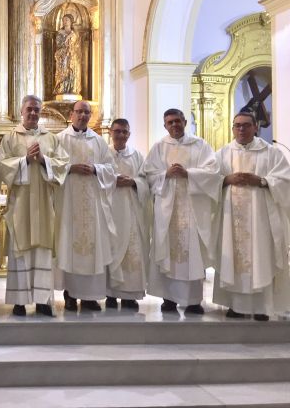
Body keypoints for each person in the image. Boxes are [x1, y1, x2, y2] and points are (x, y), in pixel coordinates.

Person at [143, 108, 222, 314]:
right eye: (170, 122)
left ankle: (194, 301)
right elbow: (148, 176)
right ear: (164, 125)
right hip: (167, 209)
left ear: (185, 122)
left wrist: (189, 174)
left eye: (178, 121)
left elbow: (213, 172)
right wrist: (165, 174)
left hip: (192, 208)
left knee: (192, 252)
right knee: (167, 250)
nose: (174, 125)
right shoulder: (159, 147)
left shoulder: (200, 145)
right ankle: (168, 299)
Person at [213, 112, 290, 321]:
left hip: (260, 219)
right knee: (234, 256)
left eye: (246, 126)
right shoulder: (223, 153)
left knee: (260, 256)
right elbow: (210, 179)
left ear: (256, 127)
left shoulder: (271, 153)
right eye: (237, 126)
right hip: (232, 218)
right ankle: (236, 306)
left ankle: (263, 307)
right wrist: (226, 179)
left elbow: (285, 179)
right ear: (232, 129)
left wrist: (263, 181)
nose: (241, 130)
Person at [0, 95, 69, 316]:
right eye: (29, 109)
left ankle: (42, 301)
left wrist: (44, 161)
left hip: (45, 205)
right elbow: (2, 165)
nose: (33, 113)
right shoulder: (11, 137)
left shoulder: (51, 138)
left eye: (37, 110)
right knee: (21, 249)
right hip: (20, 204)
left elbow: (63, 164)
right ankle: (19, 302)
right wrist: (25, 160)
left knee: (42, 250)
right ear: (21, 111)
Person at [54, 100, 116, 312]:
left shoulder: (98, 141)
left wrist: (96, 169)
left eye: (86, 112)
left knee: (92, 248)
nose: (82, 116)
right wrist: (70, 168)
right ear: (71, 114)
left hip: (92, 205)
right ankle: (70, 294)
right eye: (79, 112)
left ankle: (89, 297)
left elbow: (111, 168)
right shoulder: (59, 139)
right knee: (69, 245)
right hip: (69, 203)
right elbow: (51, 166)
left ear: (90, 116)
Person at [105, 118, 150, 309]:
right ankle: (109, 294)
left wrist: (133, 182)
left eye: (125, 132)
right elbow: (96, 177)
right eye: (117, 131)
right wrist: (113, 181)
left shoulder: (137, 155)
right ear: (110, 132)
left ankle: (129, 295)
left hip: (131, 210)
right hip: (110, 209)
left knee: (132, 251)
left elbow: (146, 181)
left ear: (129, 134)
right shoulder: (103, 154)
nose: (121, 135)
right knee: (110, 249)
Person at [53, 14, 82, 96]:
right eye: (64, 20)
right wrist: (67, 38)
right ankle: (62, 89)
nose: (65, 22)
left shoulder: (75, 33)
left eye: (67, 20)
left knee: (72, 72)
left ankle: (72, 89)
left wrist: (73, 49)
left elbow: (77, 46)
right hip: (63, 56)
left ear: (71, 21)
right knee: (63, 72)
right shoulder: (60, 33)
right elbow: (59, 44)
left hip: (72, 56)